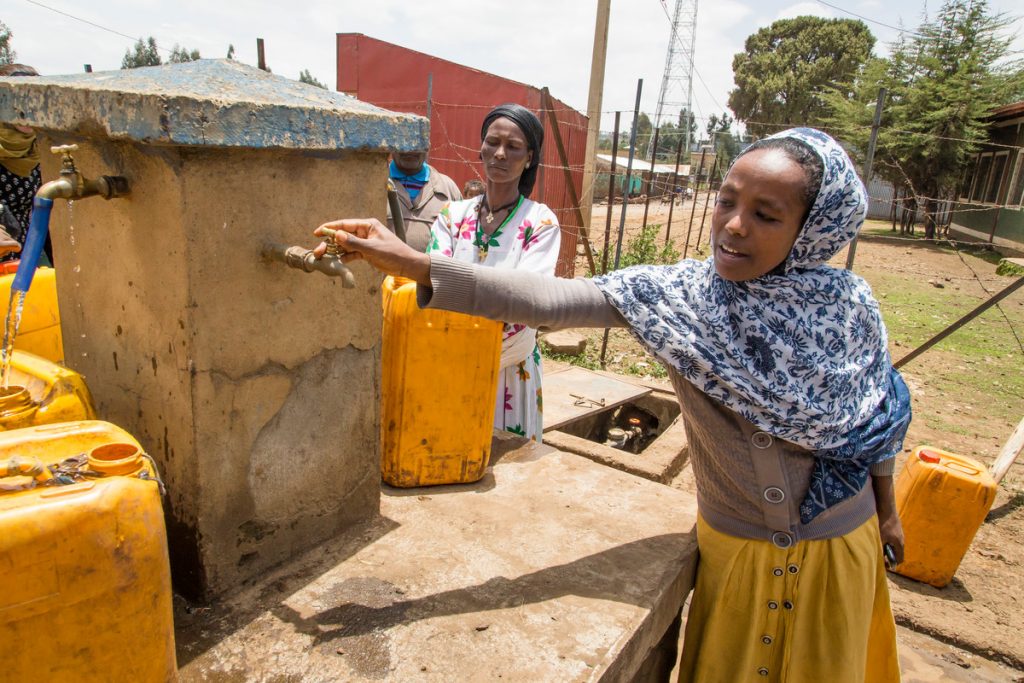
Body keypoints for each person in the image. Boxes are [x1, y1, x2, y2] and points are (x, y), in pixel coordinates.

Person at [316, 127, 910, 682]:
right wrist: (417, 264)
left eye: (765, 215)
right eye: (726, 201)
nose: (733, 226)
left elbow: (877, 418)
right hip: (738, 562)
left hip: (840, 555)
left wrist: (888, 510)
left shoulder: (846, 305)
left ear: (812, 230)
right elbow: (554, 298)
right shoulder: (679, 299)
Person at [425, 103, 560, 442]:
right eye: (492, 143)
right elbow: (432, 282)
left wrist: (461, 296)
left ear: (530, 157)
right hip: (448, 362)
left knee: (506, 467)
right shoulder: (451, 215)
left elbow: (527, 299)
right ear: (480, 148)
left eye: (513, 147)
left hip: (510, 371)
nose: (500, 154)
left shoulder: (540, 223)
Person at [0, 63, 46, 263]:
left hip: (23, 261)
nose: (27, 112)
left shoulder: (37, 149)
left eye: (34, 101)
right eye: (18, 102)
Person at [387, 149, 461, 252]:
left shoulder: (448, 188)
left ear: (427, 145)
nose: (409, 149)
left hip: (434, 268)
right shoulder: (375, 184)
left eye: (417, 140)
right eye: (403, 139)